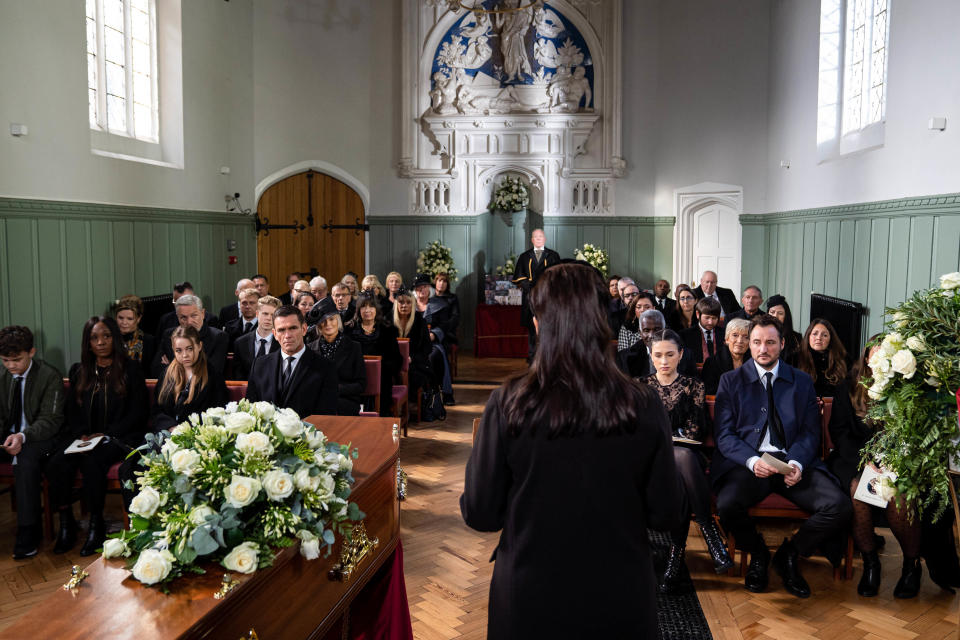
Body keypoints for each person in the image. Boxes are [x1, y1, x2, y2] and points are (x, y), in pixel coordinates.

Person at [460, 262, 681, 637]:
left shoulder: (508, 402)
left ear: (538, 324)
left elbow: (481, 513)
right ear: (601, 324)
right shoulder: (642, 403)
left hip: (531, 596)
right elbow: (666, 513)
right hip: (619, 594)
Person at [712, 315, 852, 598]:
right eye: (757, 342)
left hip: (792, 463)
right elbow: (725, 435)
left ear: (782, 344)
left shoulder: (801, 381)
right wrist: (753, 461)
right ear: (749, 345)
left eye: (770, 342)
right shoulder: (730, 381)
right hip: (750, 464)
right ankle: (759, 553)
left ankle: (789, 554)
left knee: (839, 506)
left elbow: (811, 433)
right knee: (726, 505)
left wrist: (796, 463)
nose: (763, 348)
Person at [826, 341, 924, 598]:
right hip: (856, 458)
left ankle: (911, 566)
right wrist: (865, 459)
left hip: (898, 459)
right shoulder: (848, 386)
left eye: (886, 355)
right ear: (867, 357)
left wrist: (894, 461)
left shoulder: (907, 386)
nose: (880, 358)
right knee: (858, 489)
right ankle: (871, 563)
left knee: (899, 496)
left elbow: (914, 433)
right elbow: (839, 432)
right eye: (875, 353)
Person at [641, 329, 733, 592]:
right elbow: (639, 432)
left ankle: (675, 559)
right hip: (651, 461)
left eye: (670, 355)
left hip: (686, 456)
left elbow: (694, 430)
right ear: (651, 355)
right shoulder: (641, 386)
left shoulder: (694, 385)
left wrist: (665, 438)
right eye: (658, 355)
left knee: (681, 463)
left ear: (680, 355)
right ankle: (710, 533)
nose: (664, 361)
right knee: (679, 458)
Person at [50, 316, 148, 556]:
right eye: (94, 338)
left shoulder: (130, 369)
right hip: (85, 438)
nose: (101, 342)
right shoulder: (80, 371)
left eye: (106, 336)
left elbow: (138, 412)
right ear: (88, 343)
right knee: (57, 462)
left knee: (92, 461)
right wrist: (81, 433)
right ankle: (66, 522)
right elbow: (71, 410)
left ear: (114, 338)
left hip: (120, 436)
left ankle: (97, 523)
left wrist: (107, 433)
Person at [0, 326, 65, 559]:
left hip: (42, 438)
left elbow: (52, 420)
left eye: (16, 360)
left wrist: (22, 436)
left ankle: (28, 532)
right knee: (19, 451)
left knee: (25, 458)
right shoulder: (5, 377)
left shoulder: (49, 376)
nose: (10, 366)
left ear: (32, 352)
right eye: (5, 360)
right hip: (12, 435)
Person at [246, 306, 338, 417]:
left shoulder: (325, 368)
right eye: (281, 330)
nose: (287, 335)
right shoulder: (259, 365)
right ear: (274, 334)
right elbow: (251, 410)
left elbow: (325, 416)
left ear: (304, 329)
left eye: (293, 328)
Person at [151, 326, 228, 432]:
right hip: (167, 434)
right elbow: (157, 411)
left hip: (198, 436)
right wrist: (171, 427)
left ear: (199, 346)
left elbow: (218, 413)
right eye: (179, 350)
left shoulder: (213, 376)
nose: (185, 355)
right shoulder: (166, 375)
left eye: (189, 349)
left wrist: (187, 432)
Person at [307, 298, 365, 416]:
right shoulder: (309, 349)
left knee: (330, 406)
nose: (328, 324)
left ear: (338, 320)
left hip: (346, 401)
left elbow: (361, 385)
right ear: (318, 325)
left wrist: (336, 389)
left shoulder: (354, 347)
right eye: (323, 321)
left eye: (332, 319)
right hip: (318, 400)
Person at [348, 291, 402, 417]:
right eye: (363, 306)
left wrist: (377, 370)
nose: (367, 310)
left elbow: (396, 360)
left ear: (376, 309)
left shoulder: (389, 330)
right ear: (358, 310)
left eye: (371, 306)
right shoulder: (349, 331)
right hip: (355, 380)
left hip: (382, 380)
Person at [512, 228, 561, 361]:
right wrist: (531, 287)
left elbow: (558, 277)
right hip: (530, 297)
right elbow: (519, 276)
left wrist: (544, 287)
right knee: (532, 330)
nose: (538, 238)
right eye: (536, 237)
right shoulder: (524, 256)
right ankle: (532, 357)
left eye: (541, 236)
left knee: (549, 328)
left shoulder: (553, 256)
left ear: (544, 238)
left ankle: (548, 357)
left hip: (548, 298)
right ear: (532, 240)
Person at [151, 294, 229, 378]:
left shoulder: (218, 337)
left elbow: (212, 372)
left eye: (193, 316)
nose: (189, 322)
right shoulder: (169, 335)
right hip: (173, 387)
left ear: (203, 314)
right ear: (178, 317)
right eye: (184, 318)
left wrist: (172, 366)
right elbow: (156, 370)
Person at [393, 287, 439, 409]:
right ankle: (392, 407)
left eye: (408, 303)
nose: (404, 306)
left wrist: (412, 358)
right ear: (396, 304)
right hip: (393, 361)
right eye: (401, 302)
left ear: (413, 305)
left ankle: (409, 406)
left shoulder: (420, 321)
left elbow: (427, 348)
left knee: (415, 376)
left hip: (416, 362)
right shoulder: (389, 321)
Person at [232, 295, 282, 380]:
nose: (269, 318)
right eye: (265, 314)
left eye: (273, 315)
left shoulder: (283, 342)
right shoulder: (240, 343)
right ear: (257, 314)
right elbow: (238, 376)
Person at [797, 318, 847, 398]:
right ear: (808, 336)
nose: (819, 338)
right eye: (815, 334)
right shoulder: (795, 359)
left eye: (824, 335)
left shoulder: (842, 360)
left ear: (830, 339)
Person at [702, 318, 752, 395]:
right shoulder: (712, 362)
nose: (740, 341)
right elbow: (710, 392)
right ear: (727, 339)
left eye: (746, 337)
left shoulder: (756, 361)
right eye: (735, 335)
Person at [114, 294, 156, 375]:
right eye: (120, 318)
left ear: (138, 318)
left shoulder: (149, 341)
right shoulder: (110, 339)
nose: (124, 323)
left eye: (129, 319)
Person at [680, 297, 723, 364]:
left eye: (714, 318)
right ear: (698, 314)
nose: (710, 322)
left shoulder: (724, 334)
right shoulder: (685, 335)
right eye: (707, 318)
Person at [765, 295, 802, 366]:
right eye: (772, 312)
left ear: (786, 316)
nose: (775, 316)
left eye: (780, 313)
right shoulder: (760, 335)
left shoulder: (796, 338)